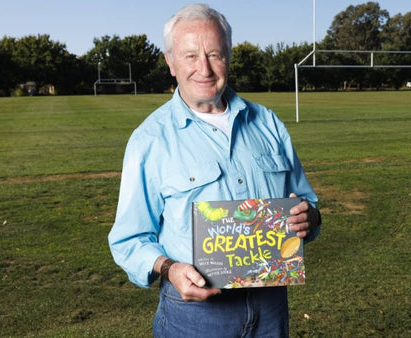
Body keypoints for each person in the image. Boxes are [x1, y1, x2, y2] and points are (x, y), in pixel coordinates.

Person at [108, 3, 321, 337]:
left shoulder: (268, 123)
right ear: (170, 62)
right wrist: (170, 268)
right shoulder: (149, 140)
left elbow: (307, 203)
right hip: (195, 316)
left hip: (270, 309)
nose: (204, 68)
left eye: (215, 54)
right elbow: (129, 239)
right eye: (191, 56)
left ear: (229, 57)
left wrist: (310, 216)